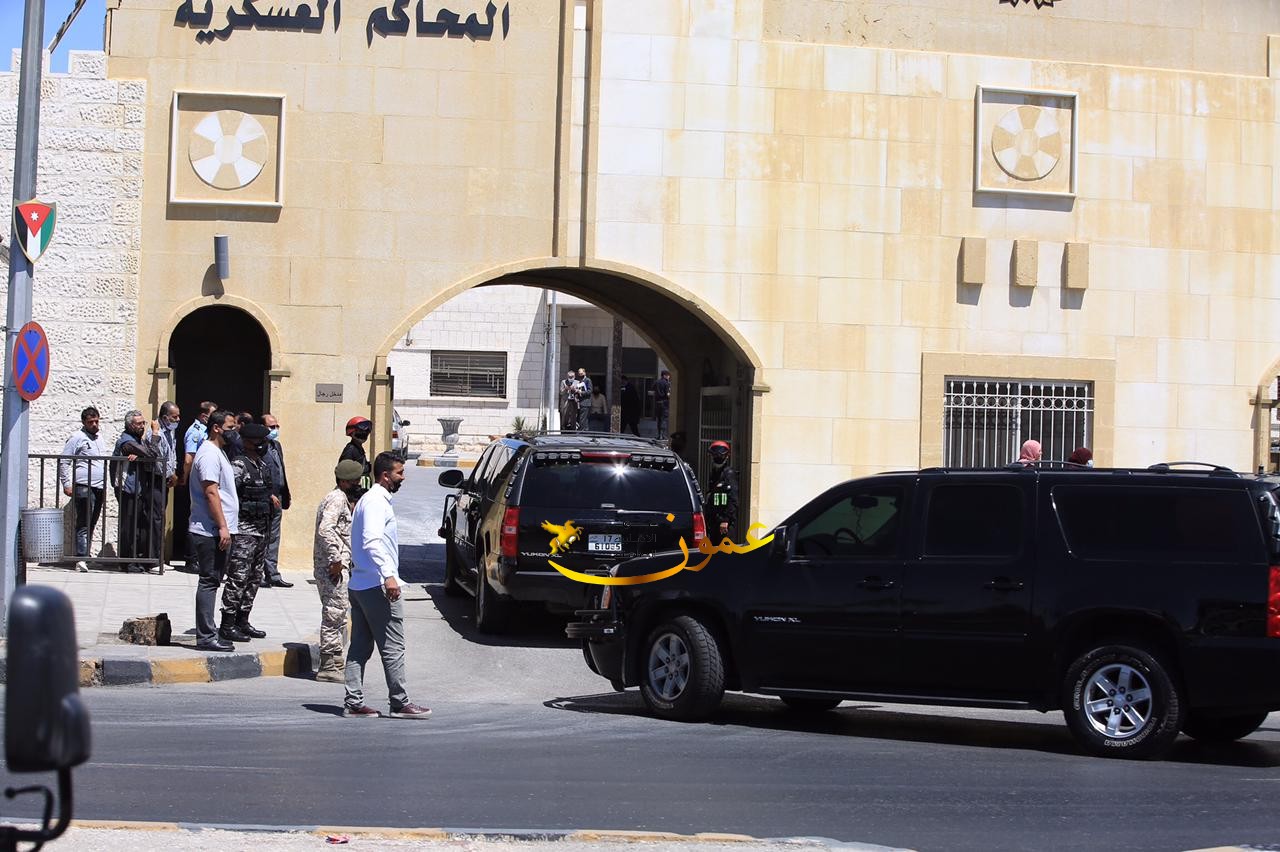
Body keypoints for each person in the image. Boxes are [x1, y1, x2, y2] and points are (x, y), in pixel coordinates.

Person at [343, 452, 431, 719]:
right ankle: (400, 702)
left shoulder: (369, 500)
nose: (402, 478)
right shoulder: (375, 502)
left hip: (361, 583)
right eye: (399, 473)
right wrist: (389, 576)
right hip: (376, 585)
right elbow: (371, 541)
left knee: (359, 646)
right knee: (393, 647)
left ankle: (354, 702)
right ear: (385, 475)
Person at [189, 411, 240, 653]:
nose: (234, 431)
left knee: (213, 580)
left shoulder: (218, 452)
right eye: (230, 427)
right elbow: (211, 492)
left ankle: (209, 633)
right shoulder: (209, 454)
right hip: (210, 530)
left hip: (217, 529)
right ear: (216, 428)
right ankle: (206, 636)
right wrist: (222, 526)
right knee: (209, 581)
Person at [219, 423, 273, 643]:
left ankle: (243, 620)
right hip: (244, 531)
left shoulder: (261, 465)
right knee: (238, 577)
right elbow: (227, 494)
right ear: (249, 442)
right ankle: (227, 624)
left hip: (261, 530)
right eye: (260, 441)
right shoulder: (239, 465)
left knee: (254, 578)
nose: (264, 445)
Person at [313, 459, 364, 683]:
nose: (357, 484)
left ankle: (336, 660)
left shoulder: (341, 498)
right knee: (333, 613)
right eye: (354, 481)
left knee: (340, 613)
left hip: (338, 566)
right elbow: (325, 529)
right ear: (344, 481)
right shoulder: (336, 499)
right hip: (332, 568)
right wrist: (335, 559)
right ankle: (327, 666)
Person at [111, 409, 164, 573]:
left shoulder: (136, 441)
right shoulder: (126, 442)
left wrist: (140, 454)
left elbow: (148, 454)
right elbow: (153, 453)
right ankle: (126, 562)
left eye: (143, 423)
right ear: (130, 425)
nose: (142, 426)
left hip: (138, 489)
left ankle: (136, 559)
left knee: (138, 525)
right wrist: (155, 434)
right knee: (128, 526)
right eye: (139, 424)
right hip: (127, 489)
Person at [59, 406, 110, 572]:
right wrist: (66, 484)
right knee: (83, 521)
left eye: (96, 421)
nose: (94, 424)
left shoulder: (100, 438)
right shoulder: (77, 438)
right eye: (90, 422)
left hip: (99, 486)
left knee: (92, 521)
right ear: (84, 422)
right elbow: (64, 461)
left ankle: (85, 556)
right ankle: (80, 558)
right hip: (83, 485)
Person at [259, 413, 294, 588]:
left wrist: (285, 493)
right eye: (271, 427)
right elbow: (259, 473)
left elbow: (280, 470)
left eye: (276, 426)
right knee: (262, 536)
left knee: (274, 537)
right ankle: (258, 573)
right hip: (265, 498)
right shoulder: (258, 447)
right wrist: (268, 493)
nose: (275, 430)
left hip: (278, 496)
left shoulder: (276, 445)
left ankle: (272, 573)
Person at [181, 400, 217, 570]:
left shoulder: (205, 430)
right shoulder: (195, 431)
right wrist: (185, 478)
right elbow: (189, 459)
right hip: (197, 479)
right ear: (204, 416)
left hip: (204, 479)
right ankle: (191, 559)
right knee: (196, 517)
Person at [155, 401, 182, 570]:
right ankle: (155, 558)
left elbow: (171, 455)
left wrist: (173, 472)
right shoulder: (157, 432)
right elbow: (158, 458)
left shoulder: (170, 432)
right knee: (157, 519)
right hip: (157, 480)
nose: (178, 420)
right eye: (174, 417)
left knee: (161, 517)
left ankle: (160, 558)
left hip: (167, 479)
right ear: (165, 417)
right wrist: (169, 474)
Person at [704, 440, 738, 542]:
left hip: (725, 524)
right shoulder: (715, 474)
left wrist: (725, 520)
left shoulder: (729, 474)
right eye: (715, 454)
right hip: (714, 520)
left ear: (727, 456)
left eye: (721, 455)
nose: (717, 457)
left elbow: (733, 499)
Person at [341, 416, 372, 482]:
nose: (364, 434)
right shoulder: (350, 449)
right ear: (351, 432)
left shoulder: (359, 448)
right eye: (360, 431)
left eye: (366, 431)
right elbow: (344, 472)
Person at [654, 369, 671, 440]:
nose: (669, 377)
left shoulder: (656, 382)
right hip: (664, 403)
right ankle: (662, 435)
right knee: (664, 419)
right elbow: (667, 394)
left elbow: (653, 390)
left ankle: (659, 435)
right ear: (664, 375)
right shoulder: (667, 383)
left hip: (657, 403)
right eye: (668, 375)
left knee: (659, 419)